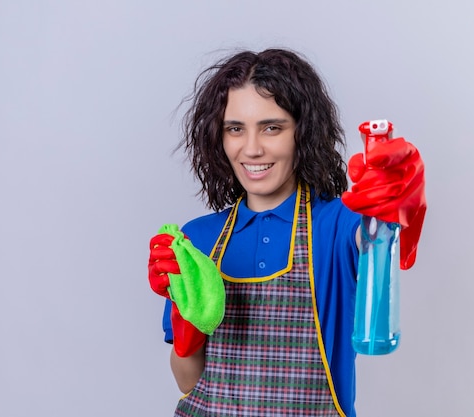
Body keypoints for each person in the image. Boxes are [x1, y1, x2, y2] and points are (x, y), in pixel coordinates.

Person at [148, 48, 426, 416]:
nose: (251, 148)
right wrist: (187, 329)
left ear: (303, 132)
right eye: (235, 129)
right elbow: (189, 383)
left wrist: (398, 202)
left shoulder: (337, 224)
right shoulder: (198, 240)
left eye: (272, 127)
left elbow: (376, 232)